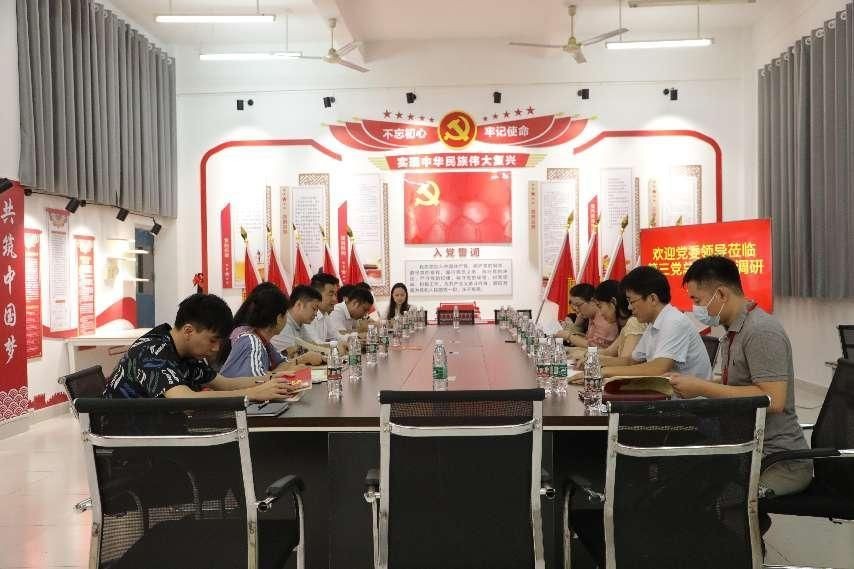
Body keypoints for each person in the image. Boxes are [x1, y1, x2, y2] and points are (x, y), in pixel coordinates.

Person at [669, 256, 811, 498]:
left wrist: (702, 388)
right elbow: (738, 385)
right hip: (745, 446)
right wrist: (694, 385)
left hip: (776, 460)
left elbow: (773, 399)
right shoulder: (734, 329)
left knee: (715, 498)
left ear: (721, 294)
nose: (696, 309)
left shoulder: (761, 331)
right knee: (683, 472)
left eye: (697, 300)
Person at [103, 293, 295, 401]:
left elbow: (225, 383)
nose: (216, 348)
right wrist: (253, 394)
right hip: (128, 441)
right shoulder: (152, 351)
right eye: (212, 340)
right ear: (188, 331)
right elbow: (183, 398)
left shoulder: (185, 353)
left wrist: (274, 380)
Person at [599, 266, 712, 379]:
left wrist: (605, 371)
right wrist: (597, 362)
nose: (629, 307)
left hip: (689, 390)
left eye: (631, 301)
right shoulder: (654, 324)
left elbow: (658, 369)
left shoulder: (673, 321)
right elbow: (631, 361)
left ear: (652, 299)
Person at [569, 280, 647, 366]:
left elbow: (625, 363)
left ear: (613, 302)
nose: (600, 313)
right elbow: (608, 352)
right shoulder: (626, 325)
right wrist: (581, 353)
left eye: (600, 306)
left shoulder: (634, 322)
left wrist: (589, 358)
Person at [268, 285, 325, 365]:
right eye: (314, 308)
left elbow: (313, 346)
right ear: (299, 305)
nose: (316, 314)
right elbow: (291, 357)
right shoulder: (282, 323)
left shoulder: (300, 324)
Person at [555, 283, 617, 349]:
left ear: (592, 301)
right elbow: (589, 340)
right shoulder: (591, 317)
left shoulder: (605, 317)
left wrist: (569, 336)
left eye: (578, 305)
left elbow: (597, 347)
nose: (577, 309)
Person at [305, 272, 340, 344]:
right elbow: (316, 345)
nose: (335, 299)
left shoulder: (325, 314)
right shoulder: (308, 315)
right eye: (331, 294)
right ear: (316, 294)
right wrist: (338, 344)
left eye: (335, 294)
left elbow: (336, 337)